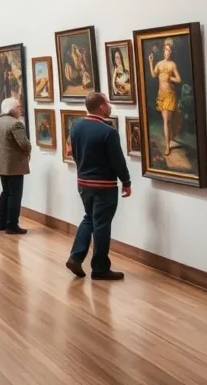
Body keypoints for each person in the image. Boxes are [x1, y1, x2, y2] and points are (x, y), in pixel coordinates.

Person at [66, 92, 132, 280]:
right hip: (104, 185)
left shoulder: (76, 127)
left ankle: (76, 256)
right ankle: (100, 268)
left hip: (83, 183)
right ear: (102, 107)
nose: (110, 106)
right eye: (108, 102)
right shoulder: (108, 132)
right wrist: (126, 182)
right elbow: (117, 161)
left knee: (89, 219)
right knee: (102, 225)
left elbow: (73, 152)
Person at [0, 97, 32, 234]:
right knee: (15, 194)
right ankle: (12, 225)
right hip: (14, 165)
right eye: (19, 107)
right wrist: (29, 150)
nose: (20, 110)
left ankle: (1, 223)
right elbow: (24, 144)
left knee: (6, 192)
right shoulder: (16, 124)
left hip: (2, 163)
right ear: (12, 109)